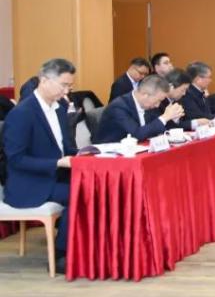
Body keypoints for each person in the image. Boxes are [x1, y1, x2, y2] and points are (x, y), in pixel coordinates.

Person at [1, 59, 79, 272]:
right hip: (29, 183)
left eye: (70, 86)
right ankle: (63, 253)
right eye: (63, 85)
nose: (66, 91)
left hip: (54, 175)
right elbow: (16, 159)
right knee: (79, 193)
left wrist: (85, 154)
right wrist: (57, 162)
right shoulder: (22, 113)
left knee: (93, 185)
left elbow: (65, 147)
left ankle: (85, 247)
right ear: (44, 81)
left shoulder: (60, 108)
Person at [93, 75, 184, 143]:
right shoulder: (119, 107)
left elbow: (155, 128)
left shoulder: (149, 105)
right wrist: (165, 117)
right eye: (158, 100)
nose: (158, 105)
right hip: (107, 154)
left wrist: (173, 117)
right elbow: (136, 134)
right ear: (145, 95)